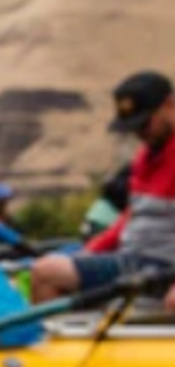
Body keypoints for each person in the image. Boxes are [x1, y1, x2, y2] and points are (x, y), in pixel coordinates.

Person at [29, 70, 175, 313]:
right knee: (54, 263)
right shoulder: (145, 157)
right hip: (134, 259)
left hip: (161, 267)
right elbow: (131, 217)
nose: (140, 133)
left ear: (169, 105)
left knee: (46, 273)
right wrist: (90, 252)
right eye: (134, 127)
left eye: (145, 123)